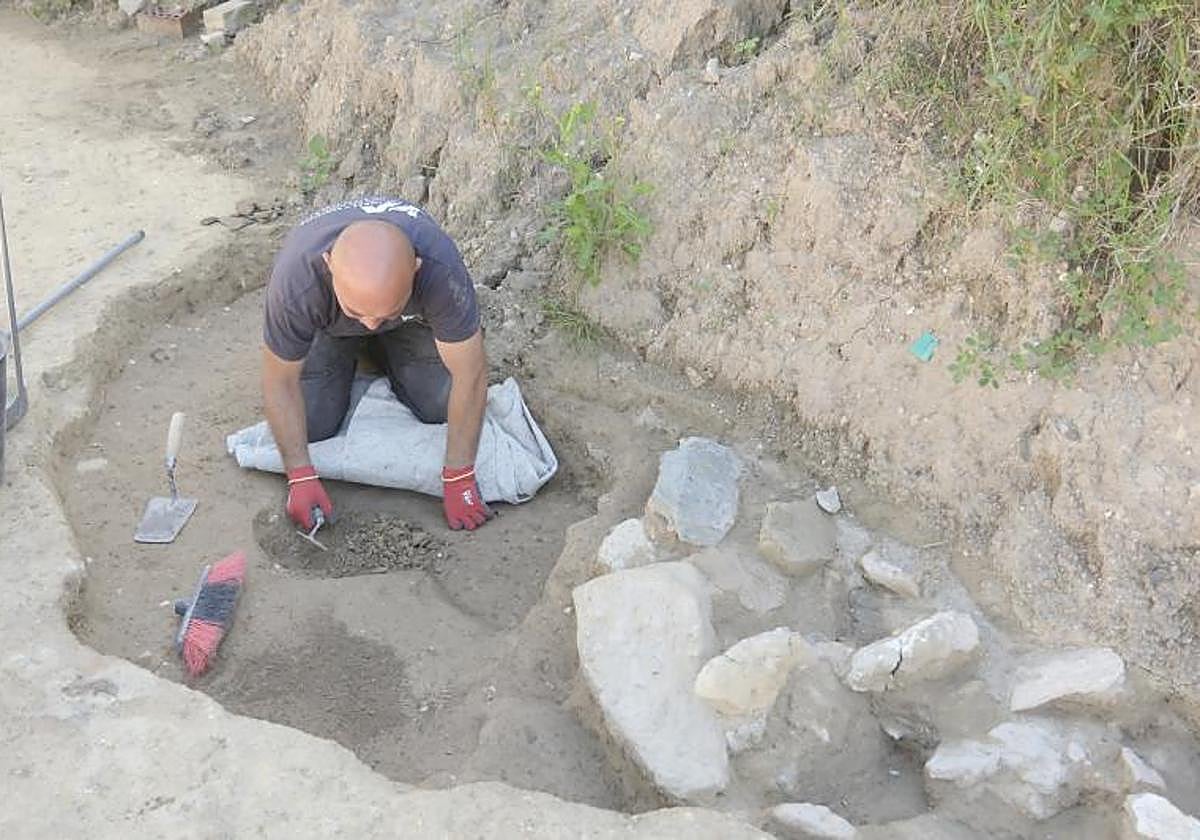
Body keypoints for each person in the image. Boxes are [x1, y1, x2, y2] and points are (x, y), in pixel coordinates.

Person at [260, 197, 494, 532]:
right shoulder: (297, 283)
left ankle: (385, 344)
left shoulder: (440, 269)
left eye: (382, 315)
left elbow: (470, 373)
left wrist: (460, 473)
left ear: (415, 268)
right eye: (358, 315)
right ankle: (360, 335)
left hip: (408, 322)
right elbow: (279, 380)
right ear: (329, 265)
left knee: (440, 404)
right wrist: (299, 474)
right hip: (327, 326)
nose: (370, 324)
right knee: (312, 424)